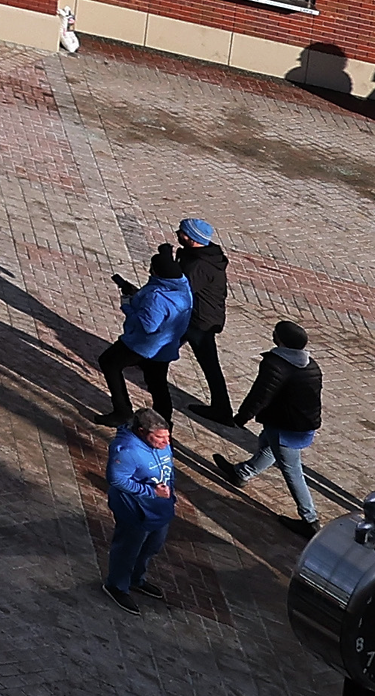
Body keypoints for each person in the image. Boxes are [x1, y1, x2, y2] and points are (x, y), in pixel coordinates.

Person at [199, 320, 325, 522]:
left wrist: (241, 419)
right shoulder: (311, 365)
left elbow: (260, 395)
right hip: (303, 423)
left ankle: (309, 519)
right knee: (268, 443)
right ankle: (242, 472)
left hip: (286, 427)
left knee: (292, 469)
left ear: (280, 340)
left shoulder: (276, 364)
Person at [99, 244, 190, 428]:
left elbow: (147, 325)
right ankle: (164, 424)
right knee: (158, 385)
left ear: (156, 273)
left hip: (143, 345)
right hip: (165, 347)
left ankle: (122, 411)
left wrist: (127, 305)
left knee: (109, 362)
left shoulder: (156, 296)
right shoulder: (183, 288)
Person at [162, 219, 234, 420]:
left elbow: (180, 289)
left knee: (209, 364)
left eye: (181, 233)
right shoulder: (198, 255)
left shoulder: (200, 265)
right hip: (195, 317)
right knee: (164, 342)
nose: (177, 234)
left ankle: (222, 409)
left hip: (200, 322)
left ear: (191, 239)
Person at [101, 415, 175, 606]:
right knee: (127, 550)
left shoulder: (163, 444)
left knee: (151, 547)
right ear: (141, 431)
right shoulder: (126, 451)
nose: (166, 442)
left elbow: (168, 469)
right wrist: (150, 491)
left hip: (160, 509)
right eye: (160, 438)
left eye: (167, 437)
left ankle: (136, 579)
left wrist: (169, 494)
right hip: (136, 511)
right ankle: (116, 586)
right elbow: (117, 479)